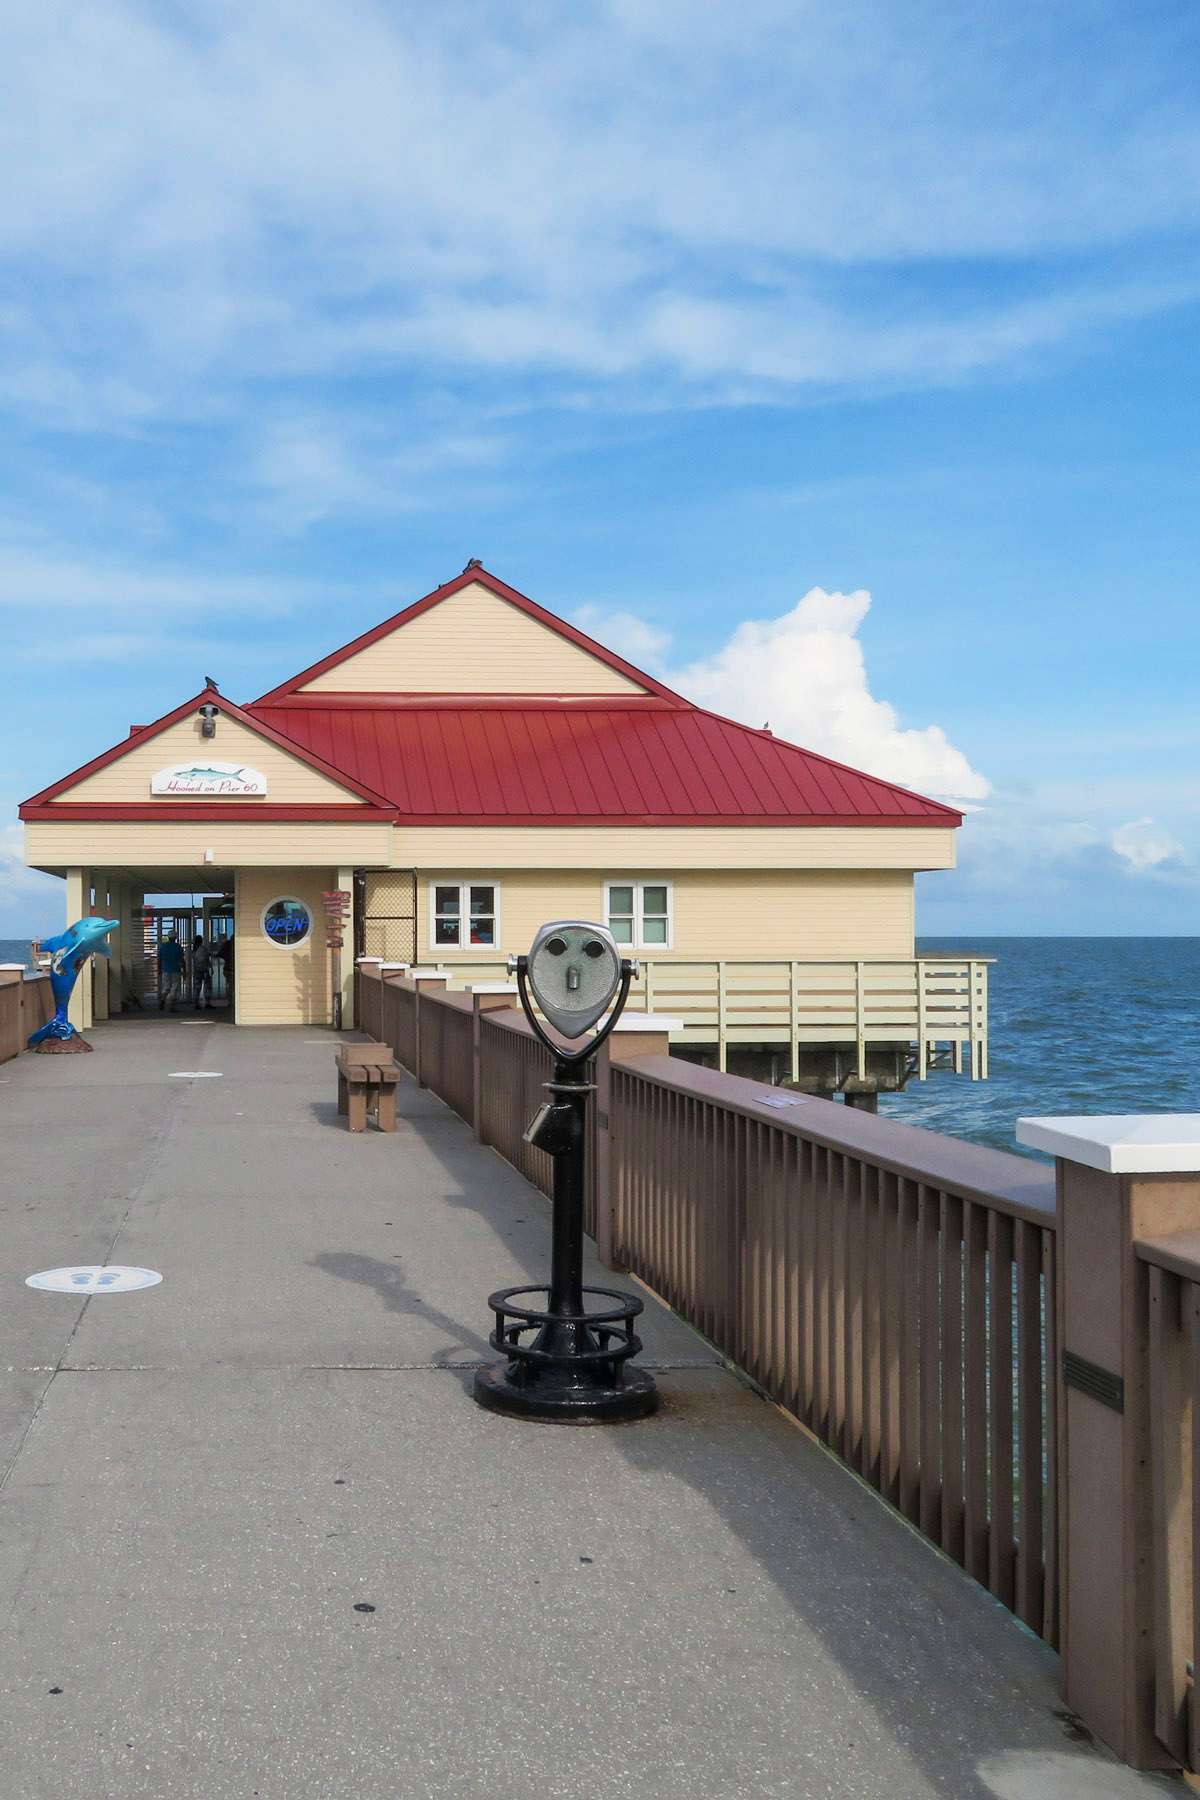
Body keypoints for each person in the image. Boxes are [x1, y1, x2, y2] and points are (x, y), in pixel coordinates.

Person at [159, 932, 184, 1012]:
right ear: (175, 938)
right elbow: (182, 960)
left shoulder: (163, 947)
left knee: (166, 987)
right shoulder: (178, 947)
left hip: (165, 970)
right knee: (175, 988)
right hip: (176, 970)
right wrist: (185, 971)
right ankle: (172, 1006)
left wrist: (159, 969)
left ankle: (162, 1000)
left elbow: (159, 959)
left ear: (168, 937)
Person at [192, 934, 213, 1010]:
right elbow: (206, 959)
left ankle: (196, 1003)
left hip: (197, 970)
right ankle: (207, 1003)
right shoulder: (203, 949)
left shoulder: (194, 950)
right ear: (201, 941)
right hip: (204, 970)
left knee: (197, 987)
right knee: (207, 986)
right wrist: (210, 967)